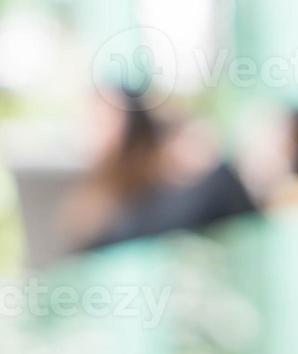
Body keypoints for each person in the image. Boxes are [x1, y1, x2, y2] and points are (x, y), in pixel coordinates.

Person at [64, 89, 256, 252]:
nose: (94, 131)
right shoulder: (96, 201)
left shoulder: (167, 188)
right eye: (93, 120)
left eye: (103, 120)